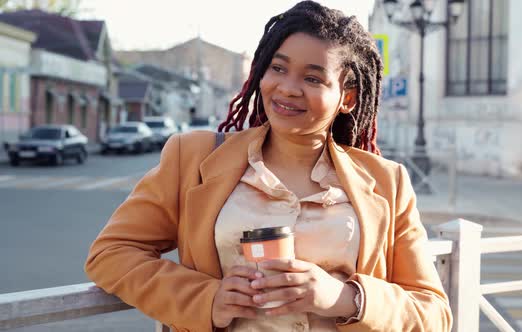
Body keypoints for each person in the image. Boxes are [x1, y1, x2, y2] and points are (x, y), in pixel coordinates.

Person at [84, 1, 452, 331]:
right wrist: (205, 299)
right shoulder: (192, 158)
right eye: (278, 68)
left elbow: (433, 312)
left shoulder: (387, 182)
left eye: (312, 78)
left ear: (348, 98)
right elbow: (112, 254)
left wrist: (344, 298)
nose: (288, 88)